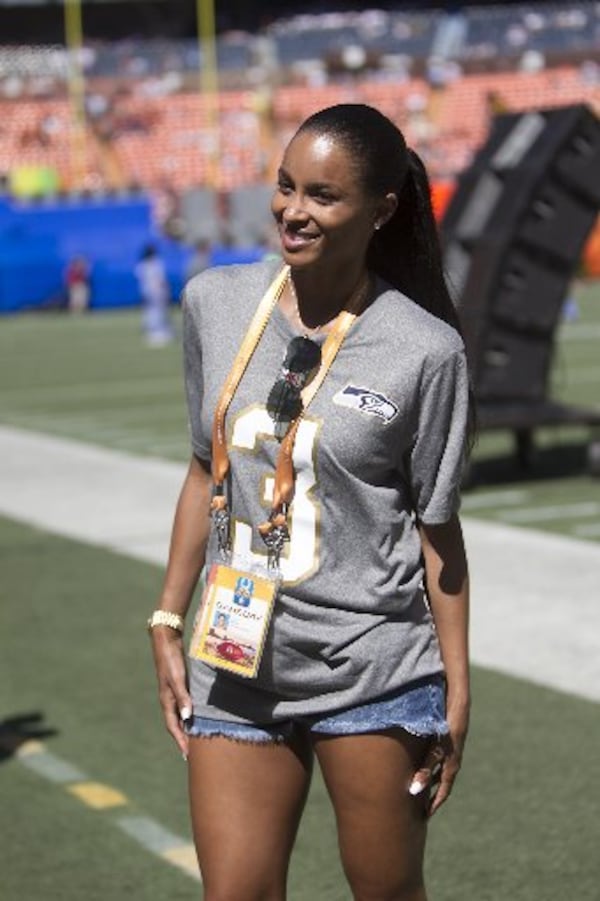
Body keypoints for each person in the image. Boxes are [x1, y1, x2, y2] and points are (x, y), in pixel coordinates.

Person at [149, 103, 472, 901]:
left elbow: (438, 533)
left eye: (324, 196)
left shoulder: (427, 349)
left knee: (385, 893)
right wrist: (166, 616)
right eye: (287, 186)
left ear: (382, 210)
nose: (294, 209)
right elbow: (204, 470)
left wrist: (456, 691)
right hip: (234, 659)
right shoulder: (214, 301)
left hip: (372, 667)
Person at [135, 242, 173, 346]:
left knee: (150, 311)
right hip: (157, 291)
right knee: (159, 311)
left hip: (146, 291)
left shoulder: (141, 265)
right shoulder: (157, 263)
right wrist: (166, 291)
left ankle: (152, 331)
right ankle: (159, 333)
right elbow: (161, 280)